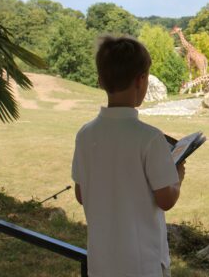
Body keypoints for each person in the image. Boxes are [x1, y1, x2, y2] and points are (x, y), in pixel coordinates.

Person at [72, 35, 185, 277]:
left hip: (101, 262)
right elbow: (166, 199)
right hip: (143, 264)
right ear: (141, 80)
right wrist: (177, 177)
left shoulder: (85, 134)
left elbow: (81, 194)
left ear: (100, 80)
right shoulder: (151, 139)